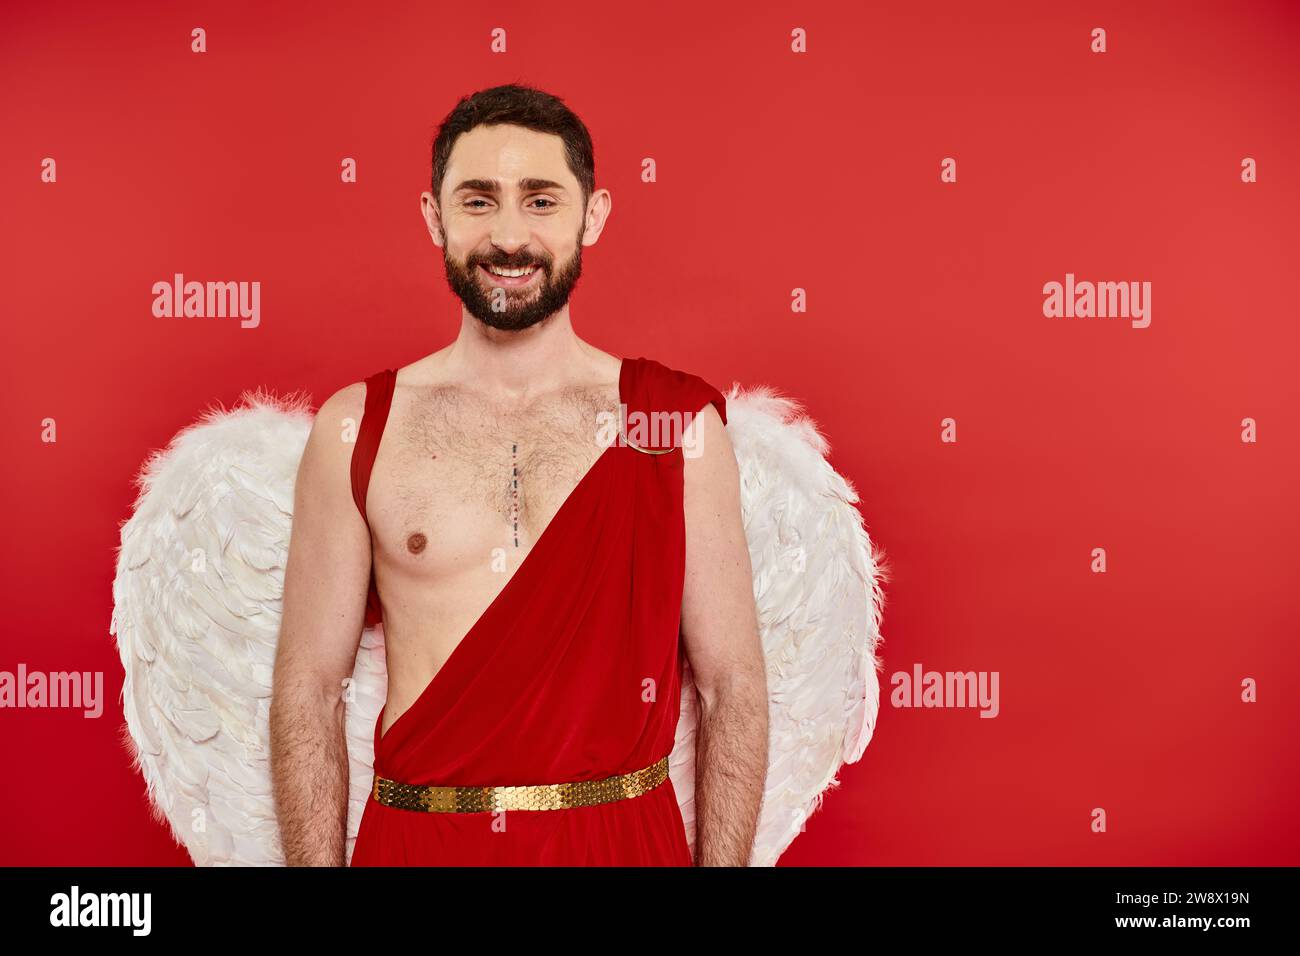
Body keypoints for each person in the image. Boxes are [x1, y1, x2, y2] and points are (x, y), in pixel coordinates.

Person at [270, 84, 767, 866]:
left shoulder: (673, 424)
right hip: (422, 838)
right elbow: (307, 690)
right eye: (477, 201)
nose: (508, 236)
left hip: (621, 841)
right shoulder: (354, 427)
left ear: (592, 215)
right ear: (434, 217)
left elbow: (732, 684)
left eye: (540, 201)